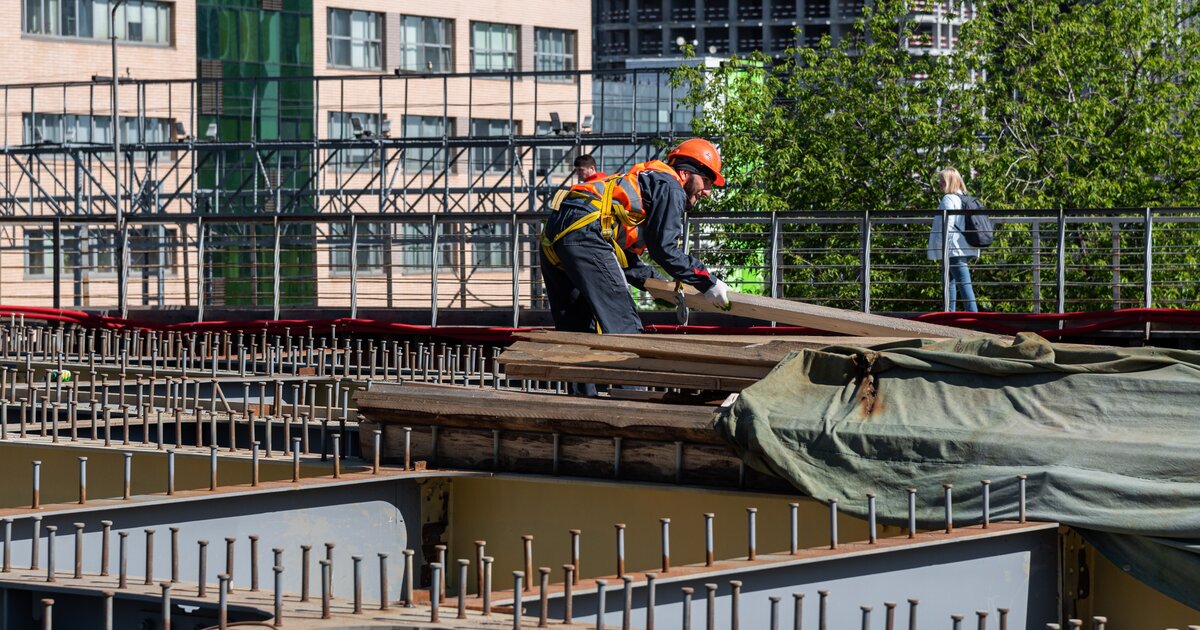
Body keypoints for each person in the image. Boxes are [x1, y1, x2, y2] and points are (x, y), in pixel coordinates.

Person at [540, 138, 732, 340]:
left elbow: (624, 261)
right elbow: (664, 250)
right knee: (625, 328)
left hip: (556, 235)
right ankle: (632, 368)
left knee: (577, 333)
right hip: (584, 232)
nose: (708, 193)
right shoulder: (672, 187)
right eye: (707, 181)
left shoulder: (646, 183)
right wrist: (708, 282)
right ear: (685, 173)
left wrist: (659, 286)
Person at [926, 167, 979, 312]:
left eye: (942, 181)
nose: (939, 184)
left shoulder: (949, 198)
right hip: (964, 246)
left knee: (963, 284)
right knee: (950, 282)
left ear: (950, 181)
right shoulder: (963, 197)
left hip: (953, 249)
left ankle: (974, 318)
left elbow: (946, 225)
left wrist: (940, 247)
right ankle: (949, 314)